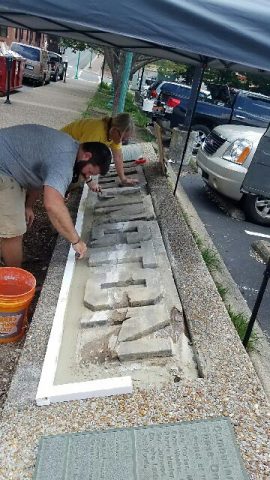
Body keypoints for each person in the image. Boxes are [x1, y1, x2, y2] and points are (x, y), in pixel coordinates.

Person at [0, 124, 111, 267]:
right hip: (3, 169)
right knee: (14, 232)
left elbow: (39, 177)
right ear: (87, 155)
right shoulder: (64, 160)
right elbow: (53, 204)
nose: (87, 176)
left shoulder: (70, 146)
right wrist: (76, 240)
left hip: (9, 163)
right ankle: (15, 282)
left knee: (12, 220)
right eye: (90, 171)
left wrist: (28, 206)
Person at [61, 112, 138, 191]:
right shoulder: (97, 132)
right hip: (61, 146)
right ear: (114, 129)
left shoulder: (113, 135)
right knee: (75, 178)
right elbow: (81, 158)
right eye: (122, 138)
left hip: (70, 149)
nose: (121, 141)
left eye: (125, 140)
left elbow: (118, 156)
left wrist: (123, 179)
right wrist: (90, 181)